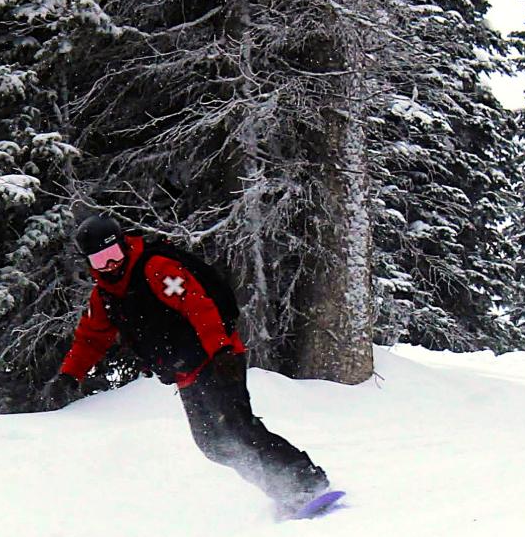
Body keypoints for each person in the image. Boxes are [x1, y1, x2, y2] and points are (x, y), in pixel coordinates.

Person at [43, 213, 332, 519]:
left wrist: (221, 351)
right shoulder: (105, 297)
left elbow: (198, 305)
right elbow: (90, 338)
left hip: (216, 358)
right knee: (214, 445)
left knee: (238, 429)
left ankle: (305, 482)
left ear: (124, 246)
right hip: (186, 372)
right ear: (90, 264)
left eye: (113, 254)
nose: (110, 265)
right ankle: (284, 489)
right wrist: (69, 375)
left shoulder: (155, 268)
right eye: (100, 261)